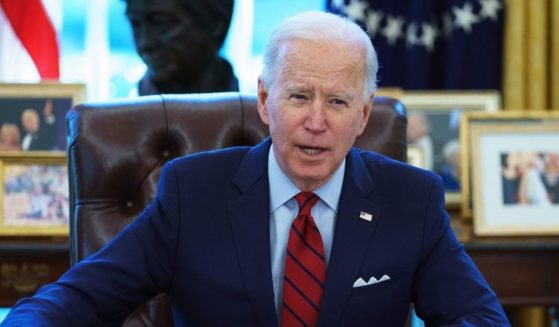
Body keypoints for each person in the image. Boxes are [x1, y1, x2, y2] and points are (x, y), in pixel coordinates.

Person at [1, 11, 509, 326]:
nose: (316, 122)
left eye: (337, 101)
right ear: (265, 100)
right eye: (298, 96)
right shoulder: (191, 193)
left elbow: (478, 316)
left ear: (363, 114)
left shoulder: (410, 199)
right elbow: (77, 299)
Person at [125, 0, 238, 95]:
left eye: (161, 22)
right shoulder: (122, 116)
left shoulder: (251, 114)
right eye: (135, 24)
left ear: (217, 24)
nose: (145, 43)